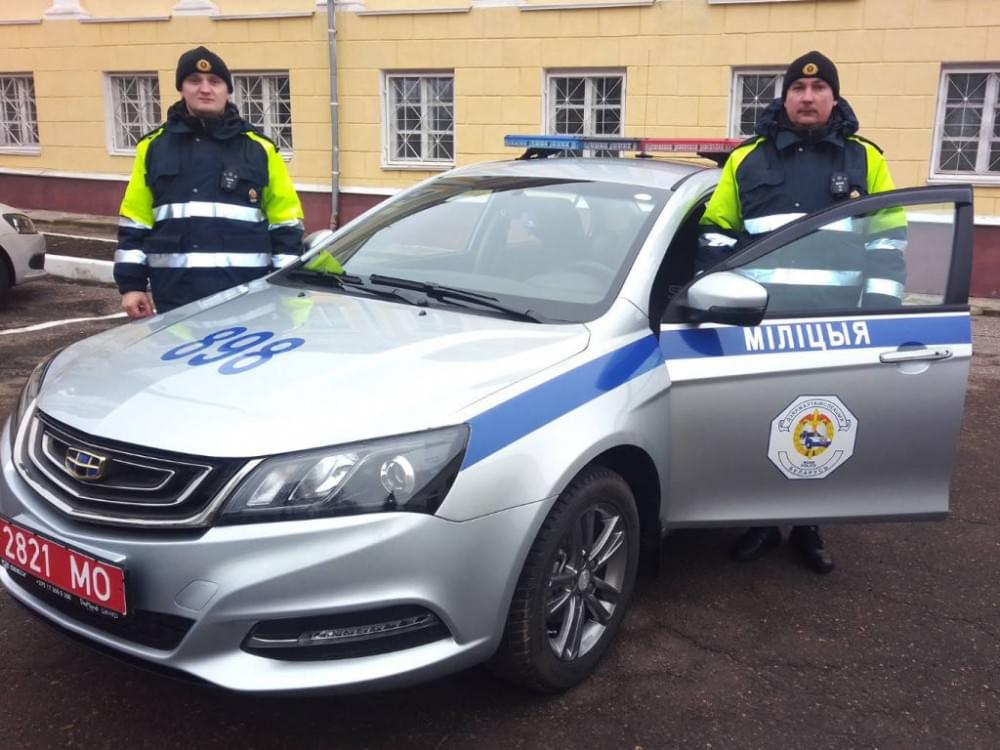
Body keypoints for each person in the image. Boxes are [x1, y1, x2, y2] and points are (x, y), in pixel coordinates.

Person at [696, 50, 907, 574]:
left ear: (834, 97)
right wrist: (718, 296)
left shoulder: (865, 159)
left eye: (818, 90)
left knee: (823, 427)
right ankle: (762, 521)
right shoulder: (749, 160)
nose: (807, 98)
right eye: (797, 90)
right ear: (785, 97)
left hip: (833, 326)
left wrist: (878, 315)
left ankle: (809, 526)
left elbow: (887, 239)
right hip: (761, 323)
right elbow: (717, 228)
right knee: (763, 423)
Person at [114, 46, 305, 318]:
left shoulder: (259, 149)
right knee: (176, 362)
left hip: (247, 300)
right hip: (176, 300)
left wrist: (286, 291)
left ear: (228, 90)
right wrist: (131, 285)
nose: (205, 89)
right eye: (194, 81)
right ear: (181, 88)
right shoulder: (153, 148)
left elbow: (285, 223)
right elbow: (135, 222)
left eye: (215, 82)